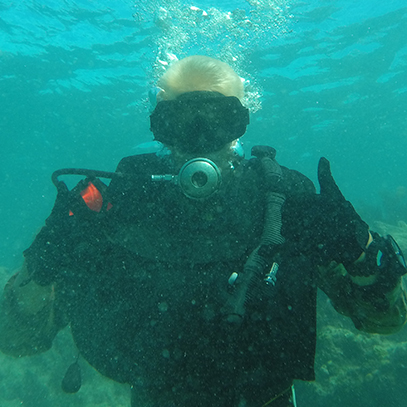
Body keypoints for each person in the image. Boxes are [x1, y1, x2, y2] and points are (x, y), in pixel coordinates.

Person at [1, 55, 406, 407]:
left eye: (218, 121)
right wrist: (41, 268)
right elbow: (16, 339)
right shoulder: (119, 208)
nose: (198, 140)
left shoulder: (281, 206)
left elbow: (384, 321)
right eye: (180, 122)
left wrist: (362, 251)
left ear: (240, 125)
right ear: (158, 127)